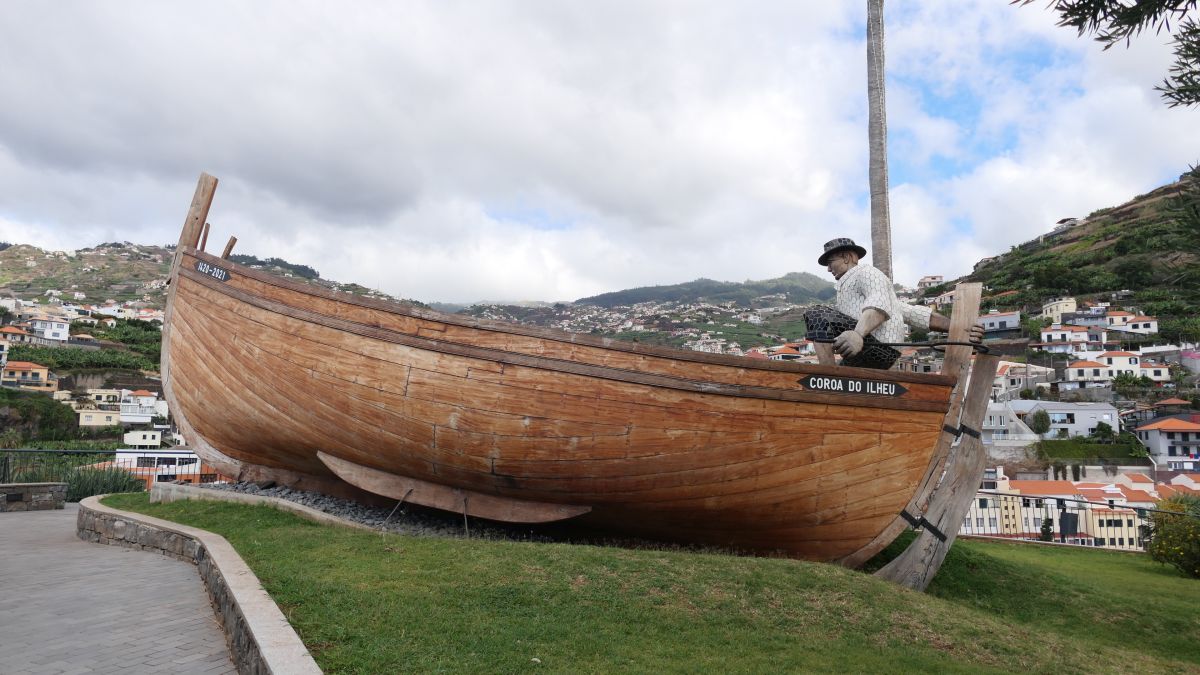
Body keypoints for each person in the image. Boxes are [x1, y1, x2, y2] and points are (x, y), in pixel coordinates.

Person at [806, 237, 984, 369]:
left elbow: (879, 307)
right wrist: (960, 328)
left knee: (815, 313)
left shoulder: (866, 273)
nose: (829, 269)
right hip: (866, 351)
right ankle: (833, 378)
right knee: (846, 378)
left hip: (878, 347)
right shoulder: (847, 289)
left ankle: (828, 375)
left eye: (831, 263)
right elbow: (909, 312)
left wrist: (858, 334)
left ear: (846, 257)